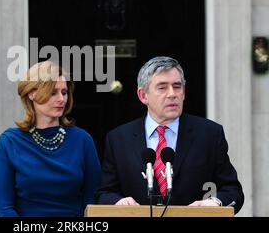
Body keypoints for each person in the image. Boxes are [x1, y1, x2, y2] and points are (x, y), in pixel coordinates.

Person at [95, 56, 244, 214]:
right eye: (162, 87)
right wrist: (118, 202)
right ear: (143, 95)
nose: (172, 94)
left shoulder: (209, 134)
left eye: (177, 86)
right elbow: (104, 193)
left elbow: (233, 190)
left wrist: (215, 202)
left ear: (184, 92)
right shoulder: (118, 139)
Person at [0, 61, 101, 216]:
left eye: (64, 92)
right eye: (53, 92)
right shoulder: (9, 142)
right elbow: (4, 208)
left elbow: (92, 200)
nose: (61, 99)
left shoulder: (83, 140)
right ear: (32, 93)